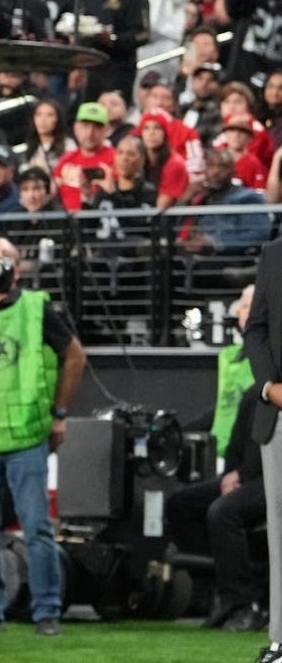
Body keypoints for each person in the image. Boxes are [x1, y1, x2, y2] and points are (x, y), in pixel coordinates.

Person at [0, 238, 84, 636]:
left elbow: (75, 356)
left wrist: (60, 415)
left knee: (37, 528)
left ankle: (47, 610)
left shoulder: (37, 309)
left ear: (19, 268)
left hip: (27, 436)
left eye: (7, 258)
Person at [168, 285, 267, 632]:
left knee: (223, 512)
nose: (247, 313)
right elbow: (233, 419)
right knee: (181, 506)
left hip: (270, 470)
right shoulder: (234, 359)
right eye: (243, 307)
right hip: (238, 462)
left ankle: (244, 600)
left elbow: (267, 429)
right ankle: (225, 585)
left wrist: (244, 473)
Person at [247, 237, 282, 663]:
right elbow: (256, 328)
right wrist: (270, 387)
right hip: (278, 415)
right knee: (280, 532)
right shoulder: (274, 254)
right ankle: (280, 641)